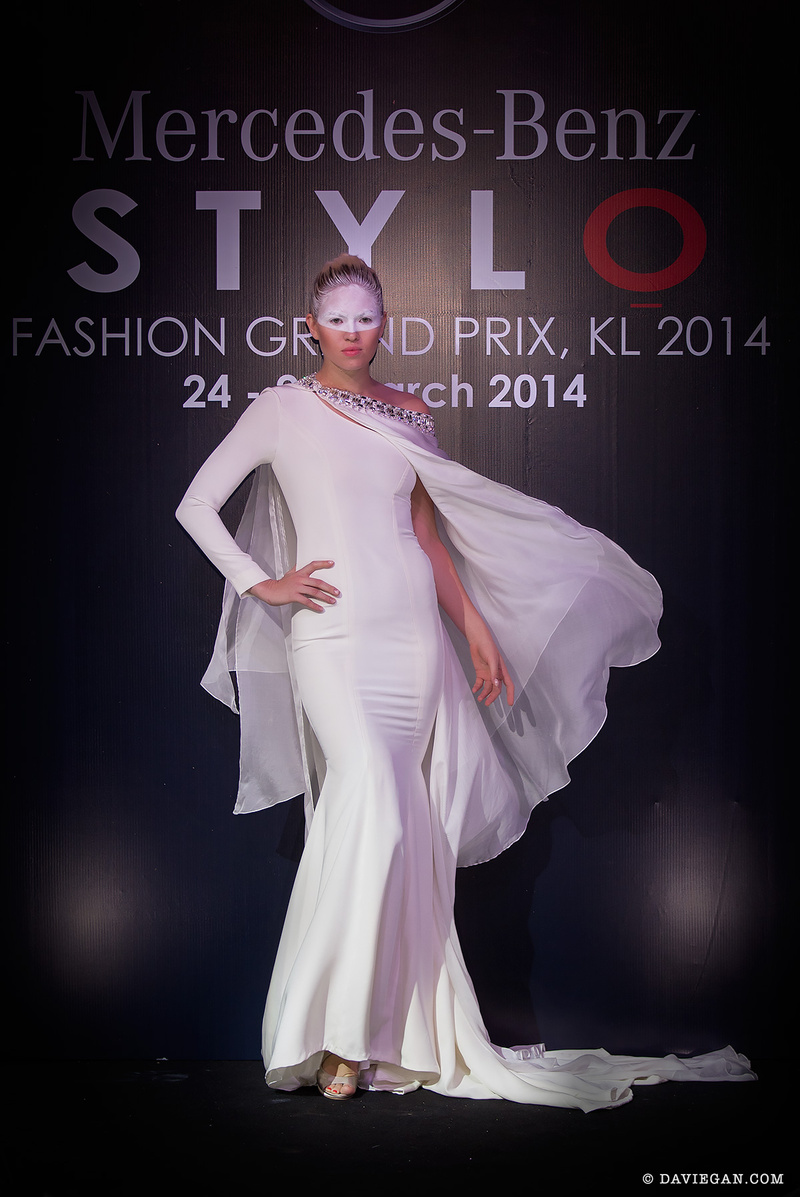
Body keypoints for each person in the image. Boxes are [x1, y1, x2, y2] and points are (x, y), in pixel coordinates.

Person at [176, 256, 753, 1108]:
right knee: (371, 801)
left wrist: (476, 632)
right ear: (310, 327)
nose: (352, 331)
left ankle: (380, 1036)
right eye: (336, 318)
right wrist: (263, 583)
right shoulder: (279, 409)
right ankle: (339, 1036)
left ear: (383, 323)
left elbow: (428, 537)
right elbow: (195, 504)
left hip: (414, 636)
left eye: (366, 317)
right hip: (332, 636)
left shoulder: (410, 412)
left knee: (406, 825)